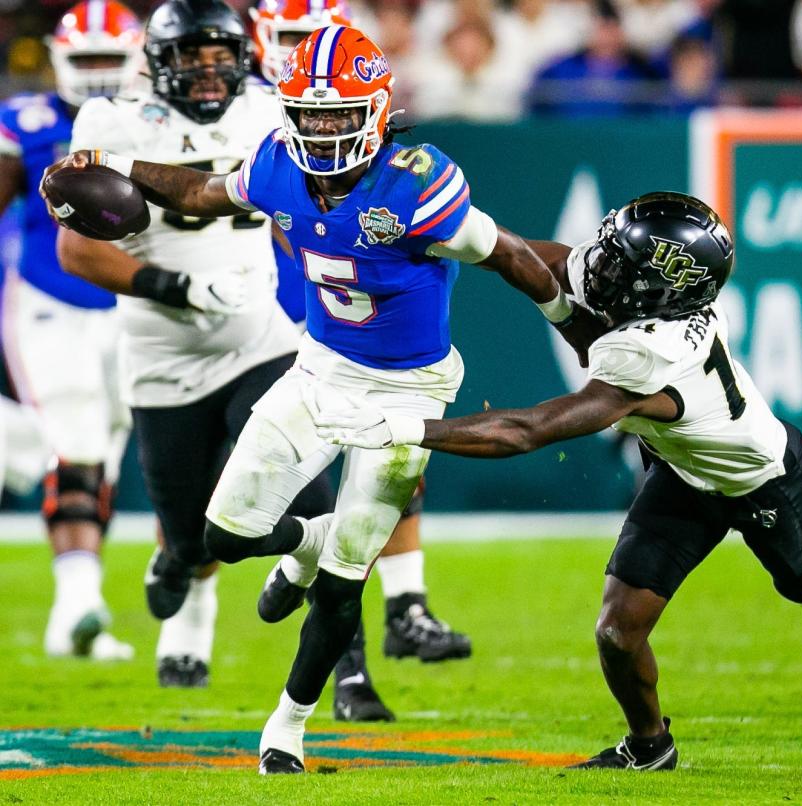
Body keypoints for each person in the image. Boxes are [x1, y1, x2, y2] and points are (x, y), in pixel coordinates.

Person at [42, 23, 602, 773]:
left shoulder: (417, 182)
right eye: (312, 112)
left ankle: (287, 728)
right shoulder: (275, 163)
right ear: (290, 110)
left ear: (376, 109)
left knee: (344, 584)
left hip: (407, 387)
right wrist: (115, 162)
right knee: (223, 539)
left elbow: (507, 252)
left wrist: (570, 323)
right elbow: (201, 192)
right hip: (318, 369)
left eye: (341, 112)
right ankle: (308, 543)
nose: (325, 127)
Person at [313, 192, 802, 769]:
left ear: (664, 290)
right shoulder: (649, 292)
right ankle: (650, 747)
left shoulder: (655, 350)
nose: (600, 269)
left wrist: (406, 426)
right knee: (618, 630)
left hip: (760, 477)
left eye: (621, 266)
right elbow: (526, 256)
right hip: (683, 471)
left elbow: (529, 431)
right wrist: (437, 227)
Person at [55, 0, 336, 689]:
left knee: (302, 489)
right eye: (191, 57)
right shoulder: (113, 121)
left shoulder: (268, 111)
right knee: (191, 536)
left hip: (258, 340)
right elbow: (77, 251)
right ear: (158, 62)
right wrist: (176, 285)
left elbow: (288, 215)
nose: (209, 74)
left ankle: (300, 562)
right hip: (163, 358)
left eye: (221, 58)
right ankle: (181, 570)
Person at [250, 0, 474, 724]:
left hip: (354, 324)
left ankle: (406, 605)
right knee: (322, 497)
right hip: (290, 323)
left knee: (390, 463)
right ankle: (348, 669)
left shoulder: (364, 147)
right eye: (287, 41)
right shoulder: (264, 131)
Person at [0, 0, 143, 661]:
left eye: (107, 59)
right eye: (83, 59)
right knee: (76, 442)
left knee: (100, 453)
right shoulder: (27, 124)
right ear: (57, 59)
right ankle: (80, 602)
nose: (94, 73)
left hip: (130, 308)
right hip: (49, 303)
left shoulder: (156, 124)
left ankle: (71, 613)